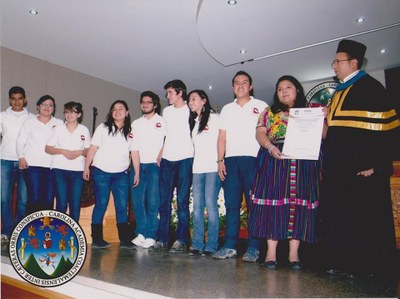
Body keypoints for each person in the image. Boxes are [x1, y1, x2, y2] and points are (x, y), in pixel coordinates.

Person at [320, 39, 400, 277]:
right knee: (342, 215)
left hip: (363, 170)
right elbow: (335, 133)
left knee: (365, 217)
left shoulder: (371, 87)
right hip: (339, 170)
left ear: (353, 63)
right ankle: (344, 261)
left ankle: (369, 265)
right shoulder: (338, 92)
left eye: (338, 61)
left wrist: (376, 164)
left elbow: (388, 131)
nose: (334, 65)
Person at [248, 75, 323, 270]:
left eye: (288, 87)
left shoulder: (310, 110)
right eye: (280, 88)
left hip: (303, 162)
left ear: (297, 89)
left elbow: (323, 135)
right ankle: (270, 253)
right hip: (275, 158)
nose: (284, 91)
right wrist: (270, 147)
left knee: (298, 205)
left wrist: (322, 118)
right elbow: (260, 133)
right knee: (273, 204)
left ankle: (293, 254)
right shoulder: (268, 112)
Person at [213, 71, 268, 262]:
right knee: (231, 205)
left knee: (254, 205)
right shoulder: (227, 109)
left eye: (244, 82)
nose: (240, 86)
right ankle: (229, 245)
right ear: (232, 87)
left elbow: (267, 133)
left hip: (253, 161)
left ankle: (254, 248)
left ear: (251, 86)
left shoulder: (261, 106)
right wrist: (220, 161)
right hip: (231, 162)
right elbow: (222, 137)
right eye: (236, 83)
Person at [83, 100, 139, 249]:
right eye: (114, 109)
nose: (117, 111)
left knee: (122, 206)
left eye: (121, 108)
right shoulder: (103, 127)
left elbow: (134, 153)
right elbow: (93, 149)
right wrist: (86, 167)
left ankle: (125, 239)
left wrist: (137, 173)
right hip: (101, 172)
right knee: (101, 204)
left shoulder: (131, 132)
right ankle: (97, 239)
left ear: (127, 113)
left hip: (121, 174)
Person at [150, 79, 194, 253]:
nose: (167, 96)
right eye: (167, 92)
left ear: (179, 93)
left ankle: (182, 239)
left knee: (182, 201)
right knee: (164, 201)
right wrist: (161, 152)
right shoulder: (166, 111)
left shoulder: (190, 110)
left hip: (185, 158)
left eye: (170, 92)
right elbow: (166, 135)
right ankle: (163, 238)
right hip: (167, 159)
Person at [130, 91, 166, 249]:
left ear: (155, 105)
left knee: (153, 202)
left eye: (149, 102)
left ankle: (151, 234)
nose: (145, 104)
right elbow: (134, 148)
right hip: (139, 165)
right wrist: (136, 171)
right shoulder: (136, 124)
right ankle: (141, 233)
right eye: (143, 102)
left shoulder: (163, 121)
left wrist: (161, 154)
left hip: (155, 167)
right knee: (137, 202)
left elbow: (170, 140)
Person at [188, 89, 221, 257]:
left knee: (210, 203)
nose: (190, 102)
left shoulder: (215, 118)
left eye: (194, 99)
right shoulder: (194, 121)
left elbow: (222, 140)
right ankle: (197, 243)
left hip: (213, 167)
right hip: (198, 168)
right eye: (189, 100)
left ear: (204, 101)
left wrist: (221, 161)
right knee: (197, 207)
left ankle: (212, 244)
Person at [45, 102, 91, 222]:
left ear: (79, 114)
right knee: (61, 202)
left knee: (75, 204)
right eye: (67, 112)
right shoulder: (58, 128)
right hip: (59, 169)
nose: (70, 115)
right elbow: (48, 148)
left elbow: (88, 150)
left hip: (77, 171)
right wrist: (62, 151)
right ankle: (60, 234)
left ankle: (74, 234)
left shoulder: (84, 130)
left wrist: (80, 152)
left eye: (73, 112)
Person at [17, 95, 63, 213]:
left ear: (53, 108)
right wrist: (21, 157)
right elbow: (20, 141)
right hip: (32, 166)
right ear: (38, 107)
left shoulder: (59, 123)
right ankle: (31, 229)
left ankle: (45, 230)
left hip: (52, 167)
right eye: (44, 104)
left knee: (48, 200)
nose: (47, 107)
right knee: (34, 198)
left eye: (50, 105)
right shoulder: (29, 122)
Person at [1, 86, 33, 242]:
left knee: (23, 199)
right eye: (13, 98)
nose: (17, 101)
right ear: (9, 100)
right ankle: (6, 232)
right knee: (4, 199)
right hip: (5, 161)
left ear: (25, 99)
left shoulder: (32, 118)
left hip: (24, 163)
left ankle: (19, 232)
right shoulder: (2, 116)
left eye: (20, 98)